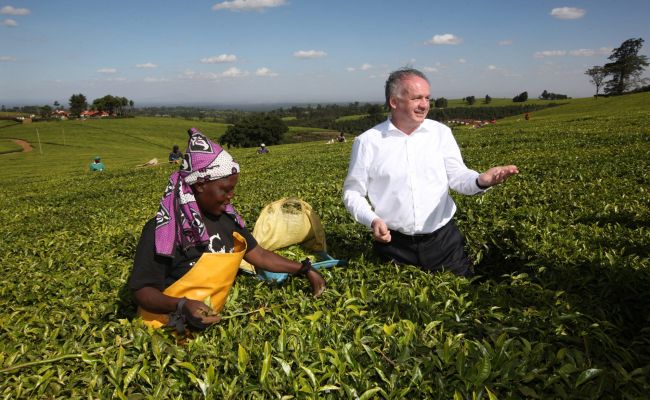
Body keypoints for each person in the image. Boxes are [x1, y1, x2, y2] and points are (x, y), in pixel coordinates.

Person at [129, 128, 325, 332]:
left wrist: (304, 269)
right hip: (163, 328)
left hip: (209, 323)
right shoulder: (164, 229)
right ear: (201, 185)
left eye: (233, 189)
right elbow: (142, 290)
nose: (231, 196)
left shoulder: (226, 219)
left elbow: (258, 255)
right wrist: (181, 305)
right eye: (225, 189)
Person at [343, 68, 519, 277]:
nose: (425, 105)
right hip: (394, 245)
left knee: (463, 296)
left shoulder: (440, 133)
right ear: (394, 101)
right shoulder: (367, 142)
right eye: (417, 98)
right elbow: (352, 192)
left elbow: (458, 176)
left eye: (427, 98)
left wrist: (481, 180)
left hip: (443, 242)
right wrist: (372, 220)